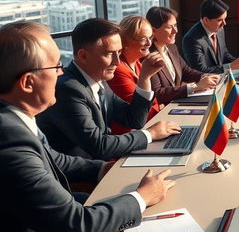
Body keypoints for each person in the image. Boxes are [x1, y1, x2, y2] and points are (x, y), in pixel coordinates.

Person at [0, 22, 175, 232]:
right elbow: (77, 228)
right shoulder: (9, 141)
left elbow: (53, 159)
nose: (61, 71)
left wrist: (104, 170)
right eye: (55, 66)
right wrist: (140, 198)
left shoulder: (12, 120)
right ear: (28, 82)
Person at [37, 18, 181, 160]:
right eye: (109, 54)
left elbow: (134, 120)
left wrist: (144, 79)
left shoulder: (99, 80)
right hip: (82, 178)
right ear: (83, 55)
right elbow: (98, 146)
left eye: (118, 53)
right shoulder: (68, 89)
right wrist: (150, 134)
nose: (117, 62)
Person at [146, 6, 218, 104]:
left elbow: (185, 71)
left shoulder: (172, 47)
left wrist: (205, 77)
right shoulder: (148, 56)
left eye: (175, 25)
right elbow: (158, 93)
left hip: (178, 102)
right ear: (153, 30)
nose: (175, 31)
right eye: (169, 27)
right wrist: (195, 87)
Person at [108, 15, 162, 133]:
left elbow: (152, 104)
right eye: (143, 39)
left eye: (150, 37)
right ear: (125, 41)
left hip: (148, 127)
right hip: (130, 137)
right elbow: (140, 112)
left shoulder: (137, 63)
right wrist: (146, 77)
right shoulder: (117, 70)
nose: (149, 43)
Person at [182, 0, 239, 74]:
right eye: (220, 20)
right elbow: (201, 71)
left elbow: (224, 55)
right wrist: (230, 66)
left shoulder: (219, 29)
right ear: (206, 20)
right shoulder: (191, 39)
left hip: (221, 79)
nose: (224, 23)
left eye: (225, 19)